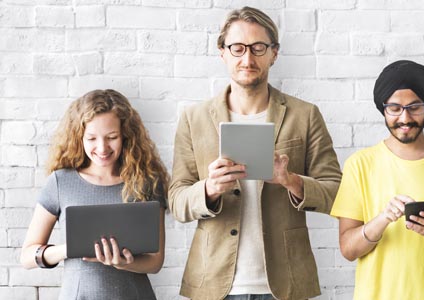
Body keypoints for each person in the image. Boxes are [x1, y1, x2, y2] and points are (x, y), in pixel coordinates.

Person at [167, 6, 342, 300]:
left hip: (286, 283)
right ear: (222, 52)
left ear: (274, 52)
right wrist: (209, 189)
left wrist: (291, 181)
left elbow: (337, 192)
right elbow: (176, 201)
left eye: (258, 48)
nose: (248, 59)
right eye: (237, 48)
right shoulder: (193, 118)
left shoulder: (305, 115)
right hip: (213, 282)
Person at [332, 60, 424, 300]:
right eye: (394, 108)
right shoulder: (359, 164)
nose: (405, 118)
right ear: (383, 109)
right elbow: (348, 250)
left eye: (414, 107)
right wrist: (382, 220)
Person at [19, 89, 168, 299]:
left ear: (126, 135)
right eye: (91, 138)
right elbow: (26, 256)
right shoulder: (61, 182)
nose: (102, 147)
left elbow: (155, 261)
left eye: (112, 137)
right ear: (79, 137)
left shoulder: (146, 182)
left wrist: (126, 263)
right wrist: (68, 250)